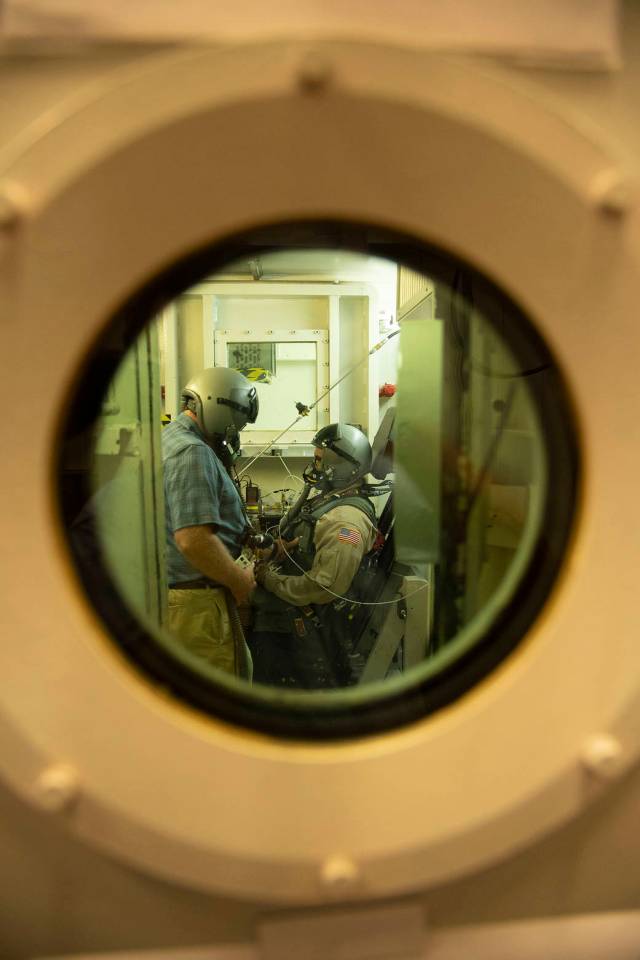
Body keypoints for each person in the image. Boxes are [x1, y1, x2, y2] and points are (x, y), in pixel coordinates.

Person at [250, 423, 377, 689]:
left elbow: (323, 586)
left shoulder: (346, 523)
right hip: (300, 614)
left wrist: (269, 579)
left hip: (309, 628)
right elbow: (317, 542)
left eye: (319, 460)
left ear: (340, 465)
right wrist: (288, 546)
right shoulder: (332, 502)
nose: (314, 466)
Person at [162, 367, 258, 678]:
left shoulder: (173, 439)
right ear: (220, 408)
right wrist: (238, 580)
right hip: (197, 605)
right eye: (235, 426)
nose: (234, 434)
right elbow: (193, 539)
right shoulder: (192, 452)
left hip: (185, 601)